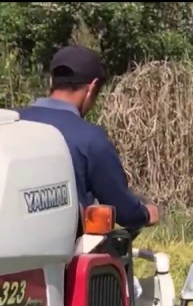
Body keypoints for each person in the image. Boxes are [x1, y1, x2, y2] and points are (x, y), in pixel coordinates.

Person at [17, 45, 162, 238]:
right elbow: (123, 210)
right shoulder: (90, 138)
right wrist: (146, 213)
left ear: (52, 81)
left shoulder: (8, 122)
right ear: (92, 87)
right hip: (62, 252)